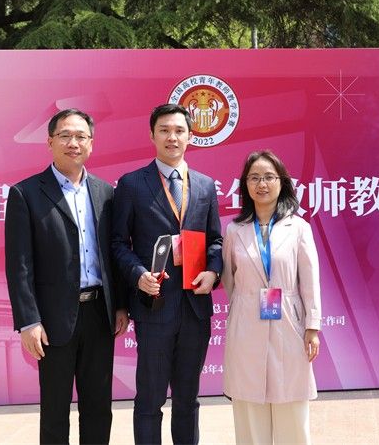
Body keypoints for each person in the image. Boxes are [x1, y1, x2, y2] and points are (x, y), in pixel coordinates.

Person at [5, 108, 128, 444]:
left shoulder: (106, 193)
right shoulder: (26, 194)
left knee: (98, 407)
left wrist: (120, 305)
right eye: (65, 136)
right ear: (50, 142)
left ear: (91, 143)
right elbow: (19, 264)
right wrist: (28, 321)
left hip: (99, 314)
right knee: (55, 409)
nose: (74, 143)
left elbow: (113, 253)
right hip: (52, 318)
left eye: (81, 136)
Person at [111, 103, 223, 445]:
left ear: (190, 137)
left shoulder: (205, 185)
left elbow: (215, 240)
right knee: (150, 399)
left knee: (188, 400)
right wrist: (138, 275)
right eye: (164, 130)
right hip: (154, 307)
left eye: (178, 131)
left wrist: (213, 272)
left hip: (195, 308)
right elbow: (118, 243)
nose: (171, 137)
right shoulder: (132, 184)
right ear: (152, 135)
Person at [221, 150, 322, 444]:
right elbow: (229, 279)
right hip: (246, 323)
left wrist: (312, 326)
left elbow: (310, 281)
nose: (261, 184)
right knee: (249, 410)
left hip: (289, 323)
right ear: (245, 185)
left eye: (268, 177)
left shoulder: (298, 228)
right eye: (254, 178)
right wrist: (247, 302)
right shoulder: (234, 230)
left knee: (291, 408)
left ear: (282, 182)